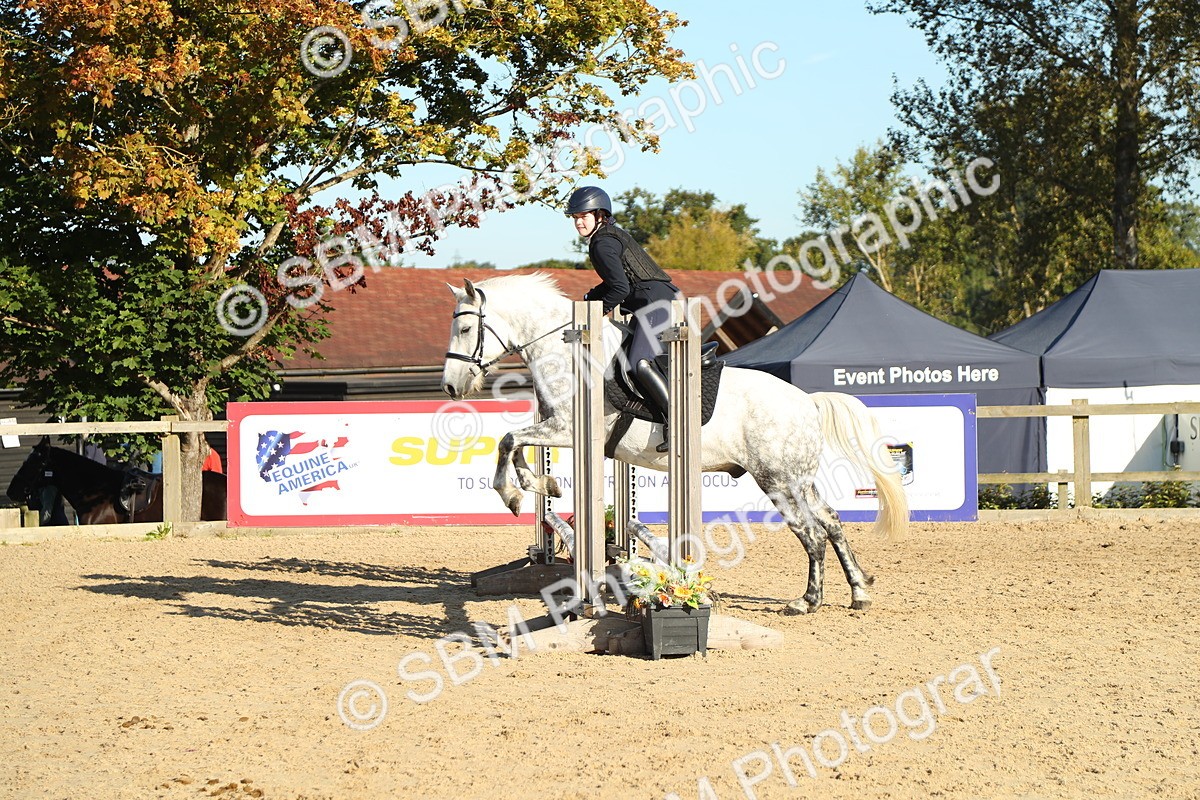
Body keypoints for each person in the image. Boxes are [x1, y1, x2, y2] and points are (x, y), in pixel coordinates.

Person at [566, 186, 681, 452]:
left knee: (639, 364)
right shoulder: (606, 237)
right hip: (650, 303)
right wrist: (589, 298)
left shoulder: (603, 242)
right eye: (575, 218)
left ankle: (675, 423)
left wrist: (594, 313)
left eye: (583, 216)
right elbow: (616, 284)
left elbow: (620, 290)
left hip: (656, 306)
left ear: (600, 215)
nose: (578, 222)